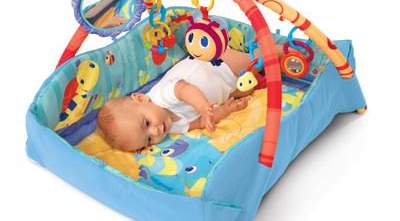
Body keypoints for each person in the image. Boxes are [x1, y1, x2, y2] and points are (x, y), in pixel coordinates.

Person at [97, 42, 290, 153]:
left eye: (146, 123)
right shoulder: (173, 128)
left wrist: (202, 106)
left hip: (217, 62)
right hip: (225, 89)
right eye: (148, 140)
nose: (156, 132)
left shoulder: (160, 97)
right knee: (247, 87)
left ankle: (280, 50)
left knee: (251, 61)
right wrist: (223, 111)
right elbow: (200, 122)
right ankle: (269, 71)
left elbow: (185, 90)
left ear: (140, 99)